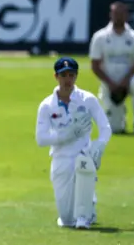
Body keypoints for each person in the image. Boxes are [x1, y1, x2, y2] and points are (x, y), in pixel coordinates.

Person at [35, 57, 112, 229]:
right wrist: (65, 135)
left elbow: (105, 127)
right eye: (63, 75)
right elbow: (41, 139)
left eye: (71, 75)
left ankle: (86, 210)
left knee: (81, 219)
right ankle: (86, 205)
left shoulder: (87, 99)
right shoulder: (47, 105)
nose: (67, 80)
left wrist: (99, 145)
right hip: (60, 159)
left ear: (76, 76)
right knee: (67, 220)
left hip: (83, 156)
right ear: (56, 77)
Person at [89, 1, 134, 135]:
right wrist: (111, 84)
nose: (118, 17)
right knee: (115, 129)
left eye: (122, 13)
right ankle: (119, 119)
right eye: (116, 13)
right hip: (109, 82)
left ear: (127, 15)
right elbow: (95, 65)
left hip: (130, 79)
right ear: (111, 15)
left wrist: (125, 81)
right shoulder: (100, 37)